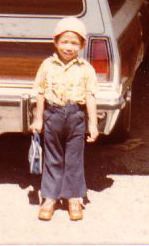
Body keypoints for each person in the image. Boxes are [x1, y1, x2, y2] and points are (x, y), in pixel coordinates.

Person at [30, 16, 99, 221]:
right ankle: (50, 197)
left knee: (74, 159)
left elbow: (90, 97)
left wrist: (93, 124)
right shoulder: (47, 65)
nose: (68, 47)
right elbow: (40, 93)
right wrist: (38, 119)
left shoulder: (85, 68)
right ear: (56, 42)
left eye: (74, 43)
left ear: (82, 45)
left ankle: (73, 198)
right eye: (65, 41)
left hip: (76, 116)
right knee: (52, 157)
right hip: (53, 115)